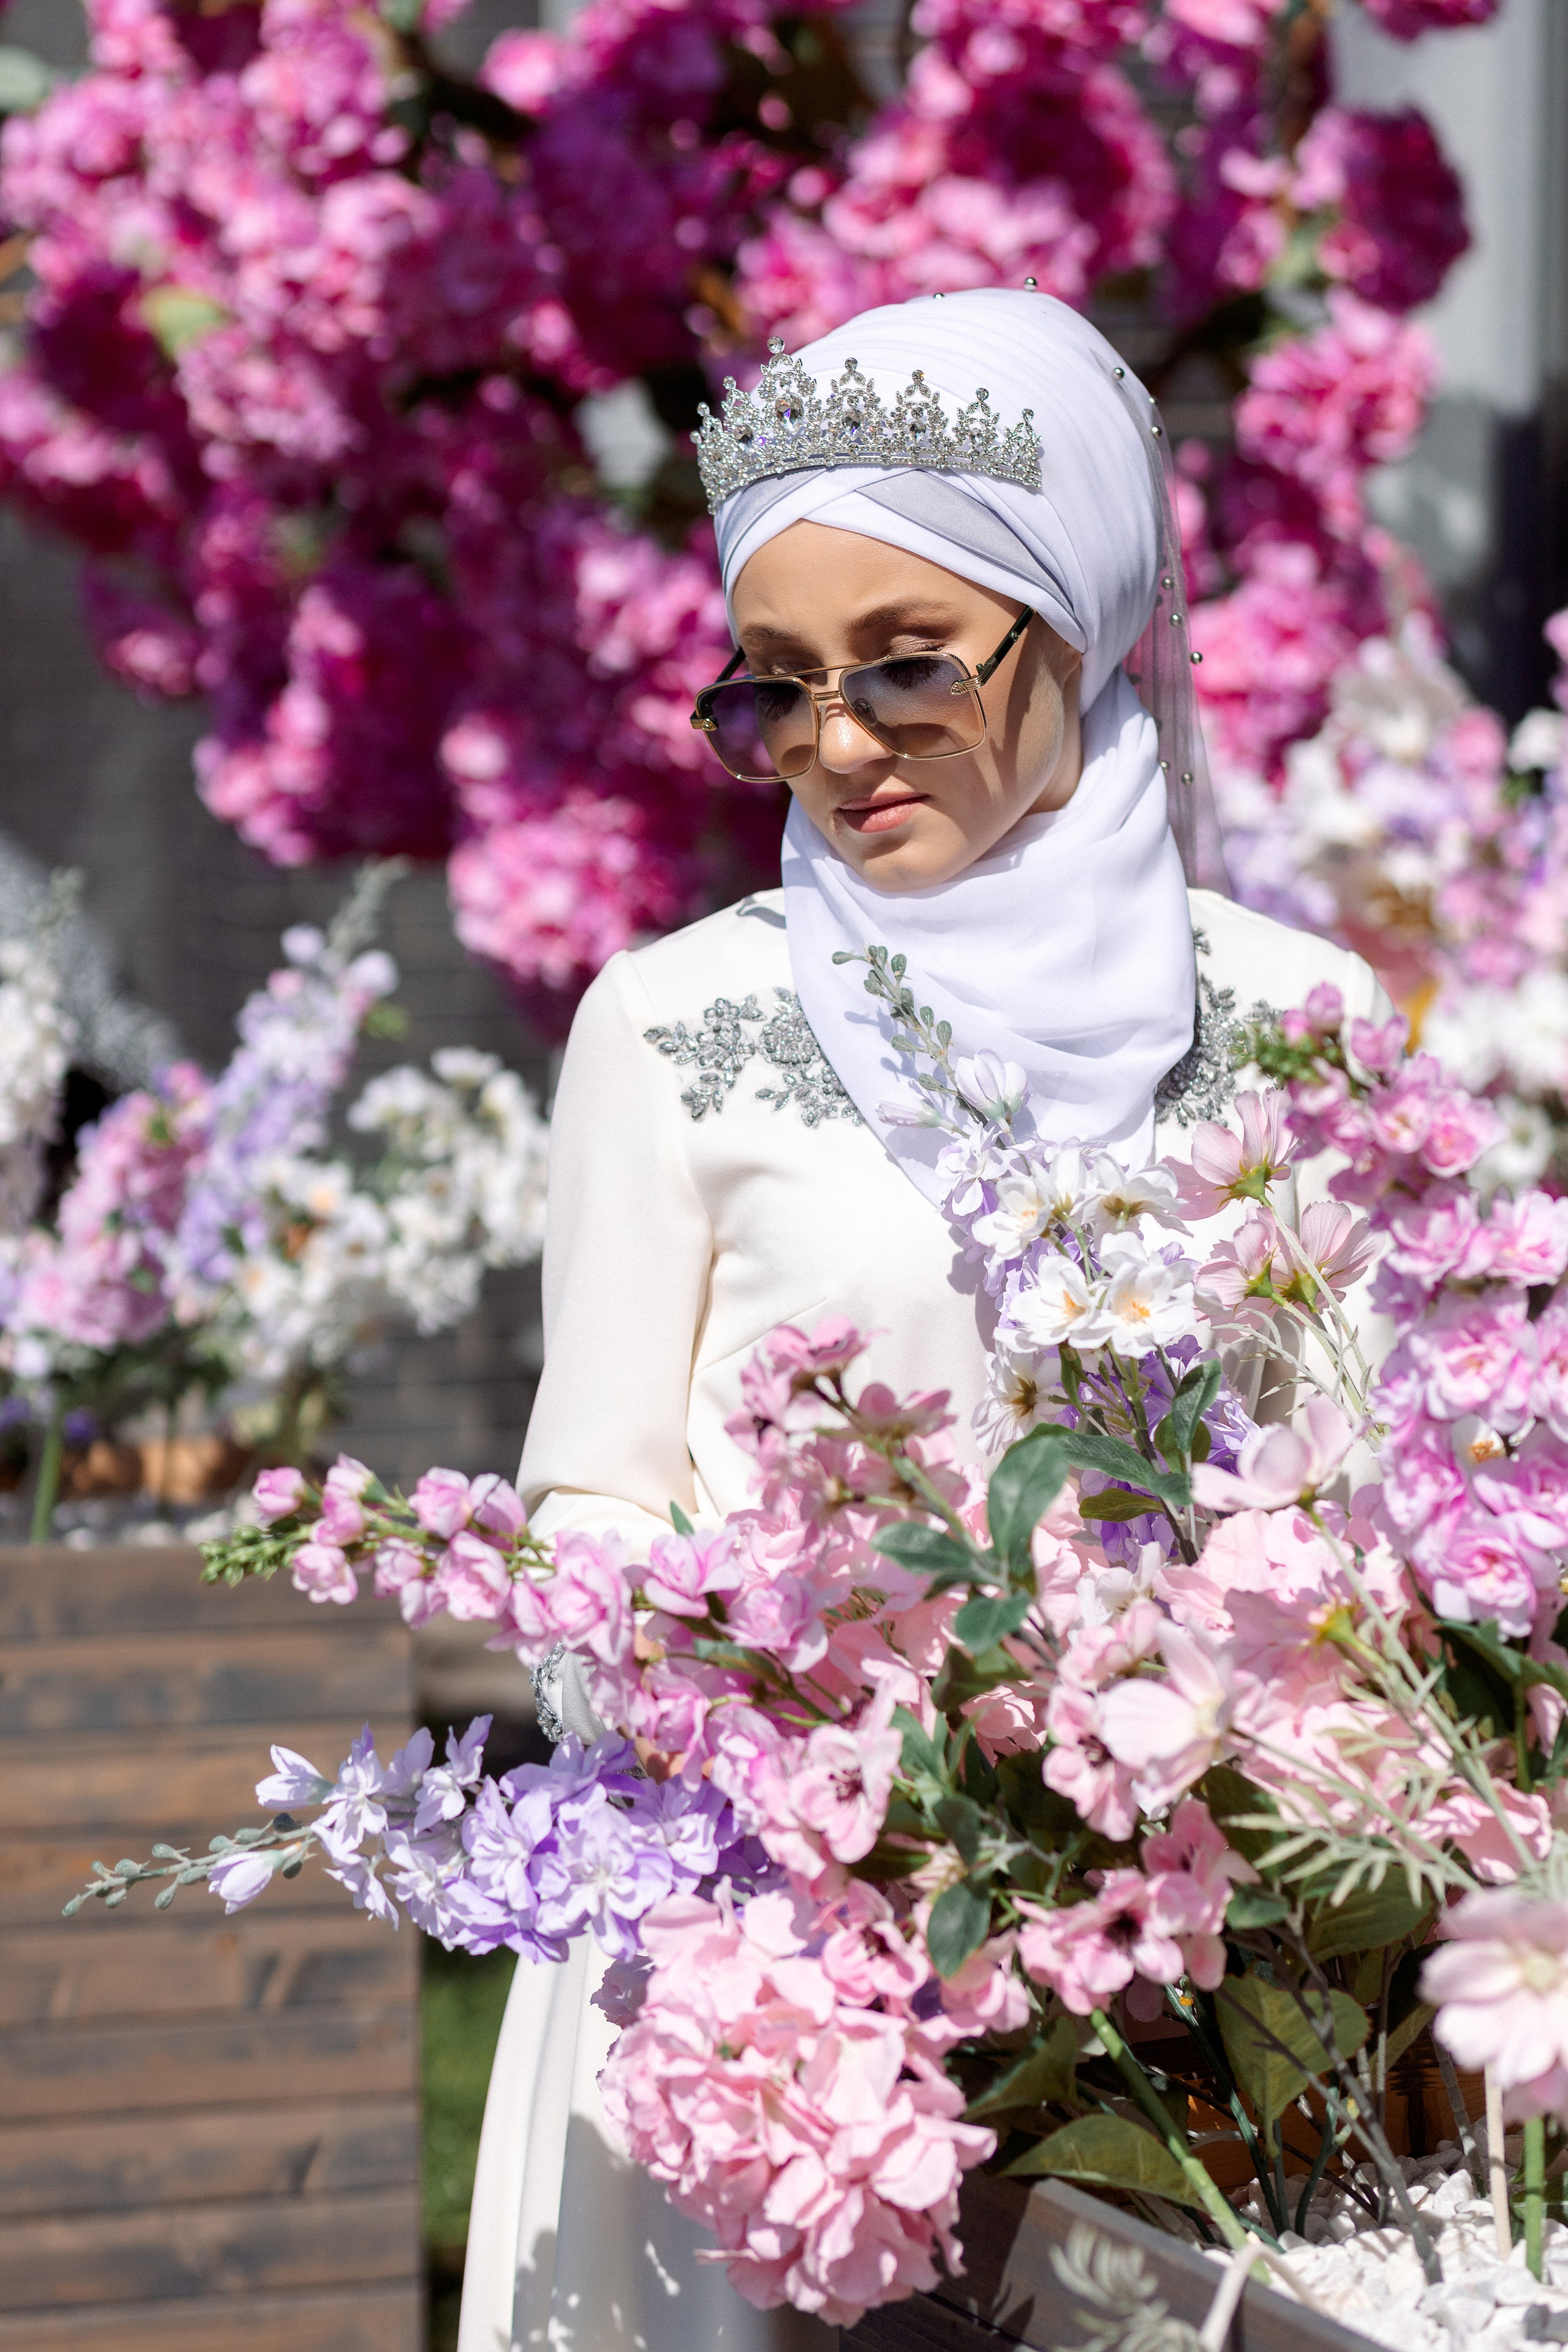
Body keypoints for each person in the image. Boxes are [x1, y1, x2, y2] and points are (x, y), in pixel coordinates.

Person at [456, 287, 1390, 2352]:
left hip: (1189, 1968)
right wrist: (789, 1748)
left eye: (905, 668)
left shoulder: (1302, 1027)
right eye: (775, 691)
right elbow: (581, 1513)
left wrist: (1188, 1765)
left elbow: (1368, 1510)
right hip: (750, 2016)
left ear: (1080, 625)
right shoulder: (679, 1025)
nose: (836, 746)